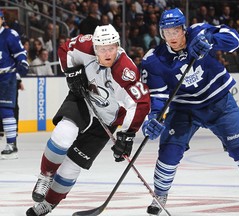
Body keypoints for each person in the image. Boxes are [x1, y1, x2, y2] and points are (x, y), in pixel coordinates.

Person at [141, 8, 239, 216]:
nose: (172, 37)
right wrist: (155, 118)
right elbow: (158, 97)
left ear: (184, 29)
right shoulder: (154, 60)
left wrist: (211, 38)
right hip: (184, 110)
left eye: (176, 31)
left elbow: (235, 40)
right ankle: (160, 195)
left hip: (219, 103)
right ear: (160, 33)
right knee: (168, 152)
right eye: (167, 32)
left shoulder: (199, 32)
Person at [26, 24, 150, 216]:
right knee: (63, 135)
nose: (108, 53)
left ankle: (49, 203)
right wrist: (71, 73)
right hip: (82, 99)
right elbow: (65, 48)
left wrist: (127, 134)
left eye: (112, 48)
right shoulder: (85, 45)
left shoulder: (125, 70)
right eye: (103, 49)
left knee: (71, 167)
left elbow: (140, 103)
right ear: (94, 48)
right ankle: (45, 176)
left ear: (118, 45)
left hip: (107, 121)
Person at [0, 10, 29, 159]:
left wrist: (22, 63)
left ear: (1, 20)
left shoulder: (9, 35)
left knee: (6, 111)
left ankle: (11, 145)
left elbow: (20, 53)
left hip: (6, 77)